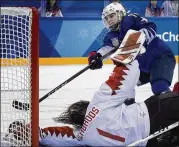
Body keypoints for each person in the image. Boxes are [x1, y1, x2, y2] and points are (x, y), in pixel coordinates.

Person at [4, 60, 179, 146]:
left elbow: (50, 135)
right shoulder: (99, 104)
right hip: (157, 112)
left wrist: (24, 132)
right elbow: (128, 69)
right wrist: (130, 43)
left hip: (153, 133)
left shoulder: (83, 135)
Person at [88, 2, 176, 96]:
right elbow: (106, 49)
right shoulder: (111, 36)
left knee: (159, 88)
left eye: (111, 16)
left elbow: (151, 26)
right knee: (123, 88)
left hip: (160, 57)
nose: (109, 20)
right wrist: (96, 57)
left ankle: (173, 106)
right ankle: (129, 109)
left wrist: (138, 37)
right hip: (143, 67)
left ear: (120, 13)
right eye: (106, 18)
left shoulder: (130, 19)